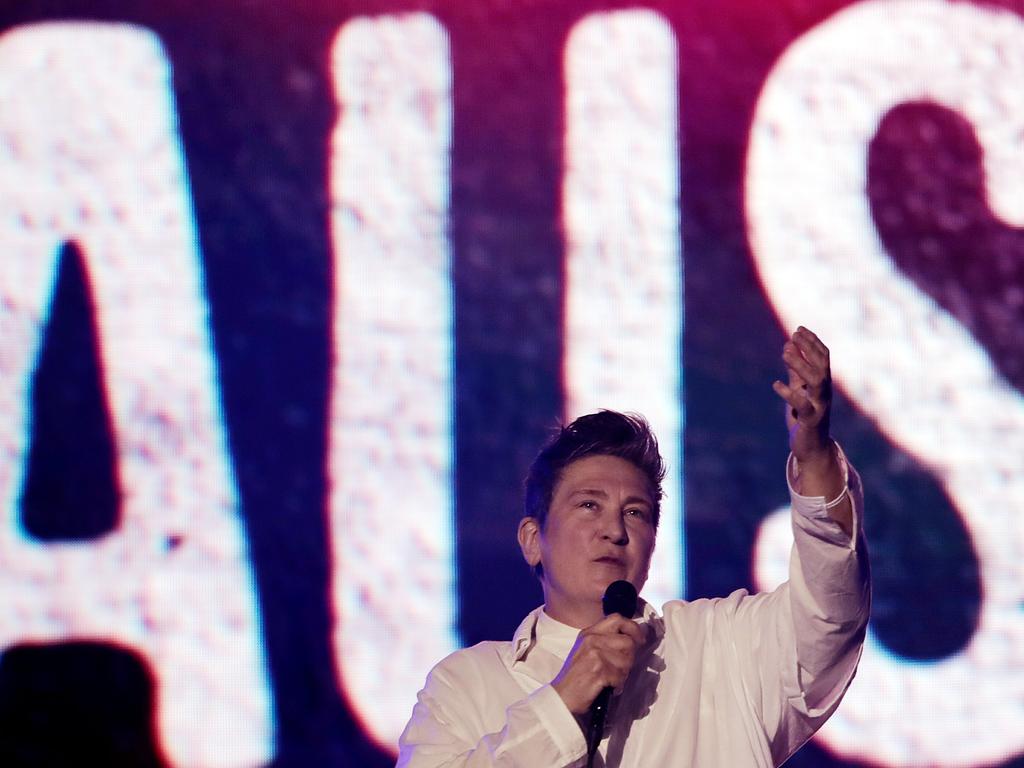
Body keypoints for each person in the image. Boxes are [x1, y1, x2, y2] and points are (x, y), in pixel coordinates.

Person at [396, 327, 870, 767]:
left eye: (635, 513)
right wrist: (563, 702)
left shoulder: (721, 650)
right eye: (588, 506)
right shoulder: (465, 685)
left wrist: (813, 455)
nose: (613, 530)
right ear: (532, 540)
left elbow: (831, 614)